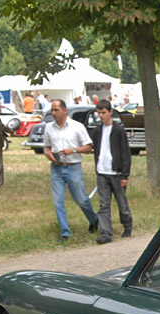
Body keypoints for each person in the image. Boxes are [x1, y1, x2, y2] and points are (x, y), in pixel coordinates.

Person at [42, 99, 99, 241]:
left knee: (81, 199)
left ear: (64, 110)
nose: (53, 113)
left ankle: (94, 219)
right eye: (52, 110)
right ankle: (65, 232)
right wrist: (48, 154)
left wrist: (73, 150)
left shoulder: (77, 127)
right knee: (58, 201)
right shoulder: (49, 127)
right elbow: (46, 147)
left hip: (73, 167)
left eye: (56, 110)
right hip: (57, 168)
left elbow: (88, 147)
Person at [89, 99, 132, 244]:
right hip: (102, 172)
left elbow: (125, 153)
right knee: (104, 204)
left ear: (110, 112)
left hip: (117, 173)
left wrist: (125, 174)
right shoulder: (97, 131)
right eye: (99, 113)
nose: (101, 116)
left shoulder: (118, 130)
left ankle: (127, 225)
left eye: (104, 113)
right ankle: (106, 233)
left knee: (122, 203)